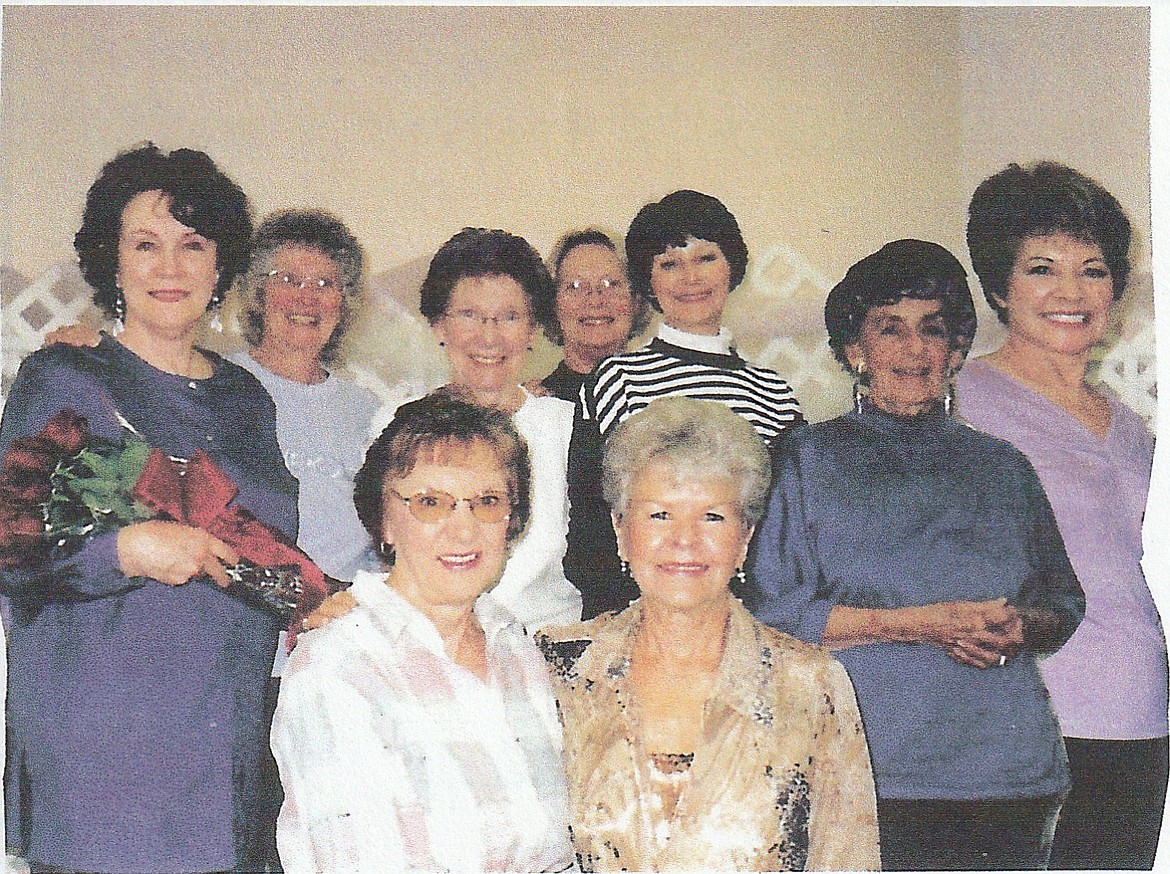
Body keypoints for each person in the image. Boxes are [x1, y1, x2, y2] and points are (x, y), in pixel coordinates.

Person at [0, 144, 294, 873]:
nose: (171, 267)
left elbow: (263, 553)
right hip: (103, 754)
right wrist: (124, 553)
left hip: (225, 743)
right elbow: (8, 539)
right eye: (146, 244)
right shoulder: (68, 378)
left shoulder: (247, 400)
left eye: (193, 244)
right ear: (113, 260)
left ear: (221, 266)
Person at [750, 239, 1086, 871]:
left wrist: (1021, 626)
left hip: (1009, 779)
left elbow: (1061, 602)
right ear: (856, 352)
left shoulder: (1004, 466)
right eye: (889, 329)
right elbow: (775, 615)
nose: (914, 349)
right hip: (865, 772)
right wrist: (919, 624)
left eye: (933, 331)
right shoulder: (805, 459)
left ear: (956, 351)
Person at [539, 396, 878, 871]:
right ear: (620, 529)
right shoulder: (557, 669)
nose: (684, 539)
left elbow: (847, 859)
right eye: (660, 514)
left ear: (745, 538)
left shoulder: (811, 683)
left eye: (712, 516)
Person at [959, 161, 1168, 870]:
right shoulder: (961, 401)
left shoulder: (1133, 428)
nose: (1072, 292)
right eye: (1043, 268)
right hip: (1024, 726)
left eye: (1094, 269)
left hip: (1141, 721)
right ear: (998, 286)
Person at [272, 392, 573, 872]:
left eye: (488, 502)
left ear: (513, 520)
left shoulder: (516, 648)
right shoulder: (337, 667)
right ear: (384, 520)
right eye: (430, 503)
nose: (463, 530)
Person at [567, 190, 803, 619]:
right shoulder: (616, 379)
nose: (690, 279)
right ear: (649, 283)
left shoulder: (773, 392)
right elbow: (592, 520)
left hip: (746, 616)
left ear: (732, 267)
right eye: (669, 264)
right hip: (637, 614)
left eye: (706, 258)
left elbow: (786, 532)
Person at [370, 227, 581, 632]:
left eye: (509, 317)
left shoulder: (569, 431)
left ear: (533, 330)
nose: (488, 336)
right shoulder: (397, 422)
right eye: (469, 315)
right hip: (429, 648)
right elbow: (387, 552)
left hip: (545, 652)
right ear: (438, 325)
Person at [534, 229, 650, 402]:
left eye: (610, 284)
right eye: (576, 286)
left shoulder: (665, 395)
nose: (595, 299)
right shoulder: (534, 406)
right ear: (553, 305)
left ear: (636, 300)